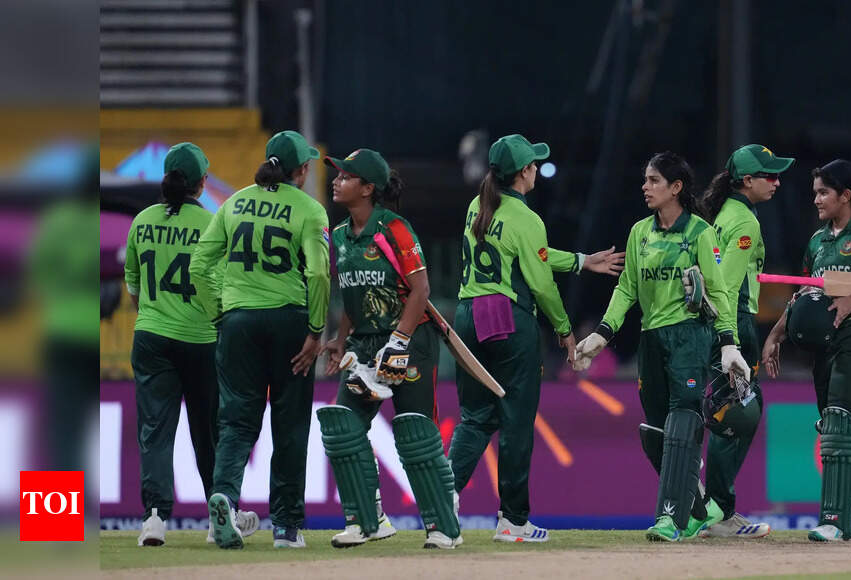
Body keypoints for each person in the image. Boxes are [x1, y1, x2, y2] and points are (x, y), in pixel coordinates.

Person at [448, 134, 624, 544]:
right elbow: (541, 283)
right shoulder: (526, 218)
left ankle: (444, 496)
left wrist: (581, 261)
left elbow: (530, 254)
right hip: (507, 318)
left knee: (475, 417)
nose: (536, 170)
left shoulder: (478, 205)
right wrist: (564, 330)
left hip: (468, 316)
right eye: (533, 165)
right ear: (525, 172)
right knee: (515, 422)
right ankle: (513, 521)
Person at [572, 151, 749, 542]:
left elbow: (718, 291)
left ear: (676, 187)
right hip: (651, 339)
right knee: (655, 432)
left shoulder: (700, 232)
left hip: (689, 336)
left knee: (682, 422)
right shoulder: (640, 232)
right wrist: (602, 333)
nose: (645, 187)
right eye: (645, 180)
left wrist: (728, 343)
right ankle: (701, 510)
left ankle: (670, 519)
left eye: (653, 181)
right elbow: (627, 289)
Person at [312, 148, 464, 549]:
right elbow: (354, 295)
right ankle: (367, 521)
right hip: (364, 344)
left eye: (346, 177)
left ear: (368, 188)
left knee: (416, 432)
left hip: (410, 340)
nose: (336, 181)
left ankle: (443, 526)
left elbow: (421, 290)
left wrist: (398, 342)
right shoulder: (340, 234)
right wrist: (340, 338)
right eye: (338, 175)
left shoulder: (394, 228)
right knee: (342, 425)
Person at [190, 130, 330, 549]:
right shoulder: (310, 209)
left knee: (235, 422)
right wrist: (316, 330)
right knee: (289, 424)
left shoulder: (233, 203)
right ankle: (285, 527)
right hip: (289, 321)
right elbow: (318, 273)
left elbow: (199, 265)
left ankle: (225, 501)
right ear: (301, 170)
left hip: (238, 322)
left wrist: (219, 313)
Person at [761, 159, 851, 542]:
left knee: (842, 425)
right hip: (829, 347)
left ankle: (836, 521)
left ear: (845, 195)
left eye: (823, 192)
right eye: (815, 193)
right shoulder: (817, 241)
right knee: (841, 430)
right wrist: (777, 333)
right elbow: (805, 295)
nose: (816, 200)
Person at [125, 143, 259, 547]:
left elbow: (134, 290)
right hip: (203, 340)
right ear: (201, 183)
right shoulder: (212, 222)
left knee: (154, 431)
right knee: (211, 432)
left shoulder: (141, 221)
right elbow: (225, 286)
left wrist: (156, 314)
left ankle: (154, 519)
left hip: (151, 337)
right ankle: (221, 516)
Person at [693, 144, 795, 539]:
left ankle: (718, 507)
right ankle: (717, 510)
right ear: (747, 180)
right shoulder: (745, 223)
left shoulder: (721, 214)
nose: (776, 182)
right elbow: (727, 286)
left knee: (733, 410)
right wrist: (730, 342)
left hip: (717, 322)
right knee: (739, 413)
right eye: (769, 175)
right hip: (733, 321)